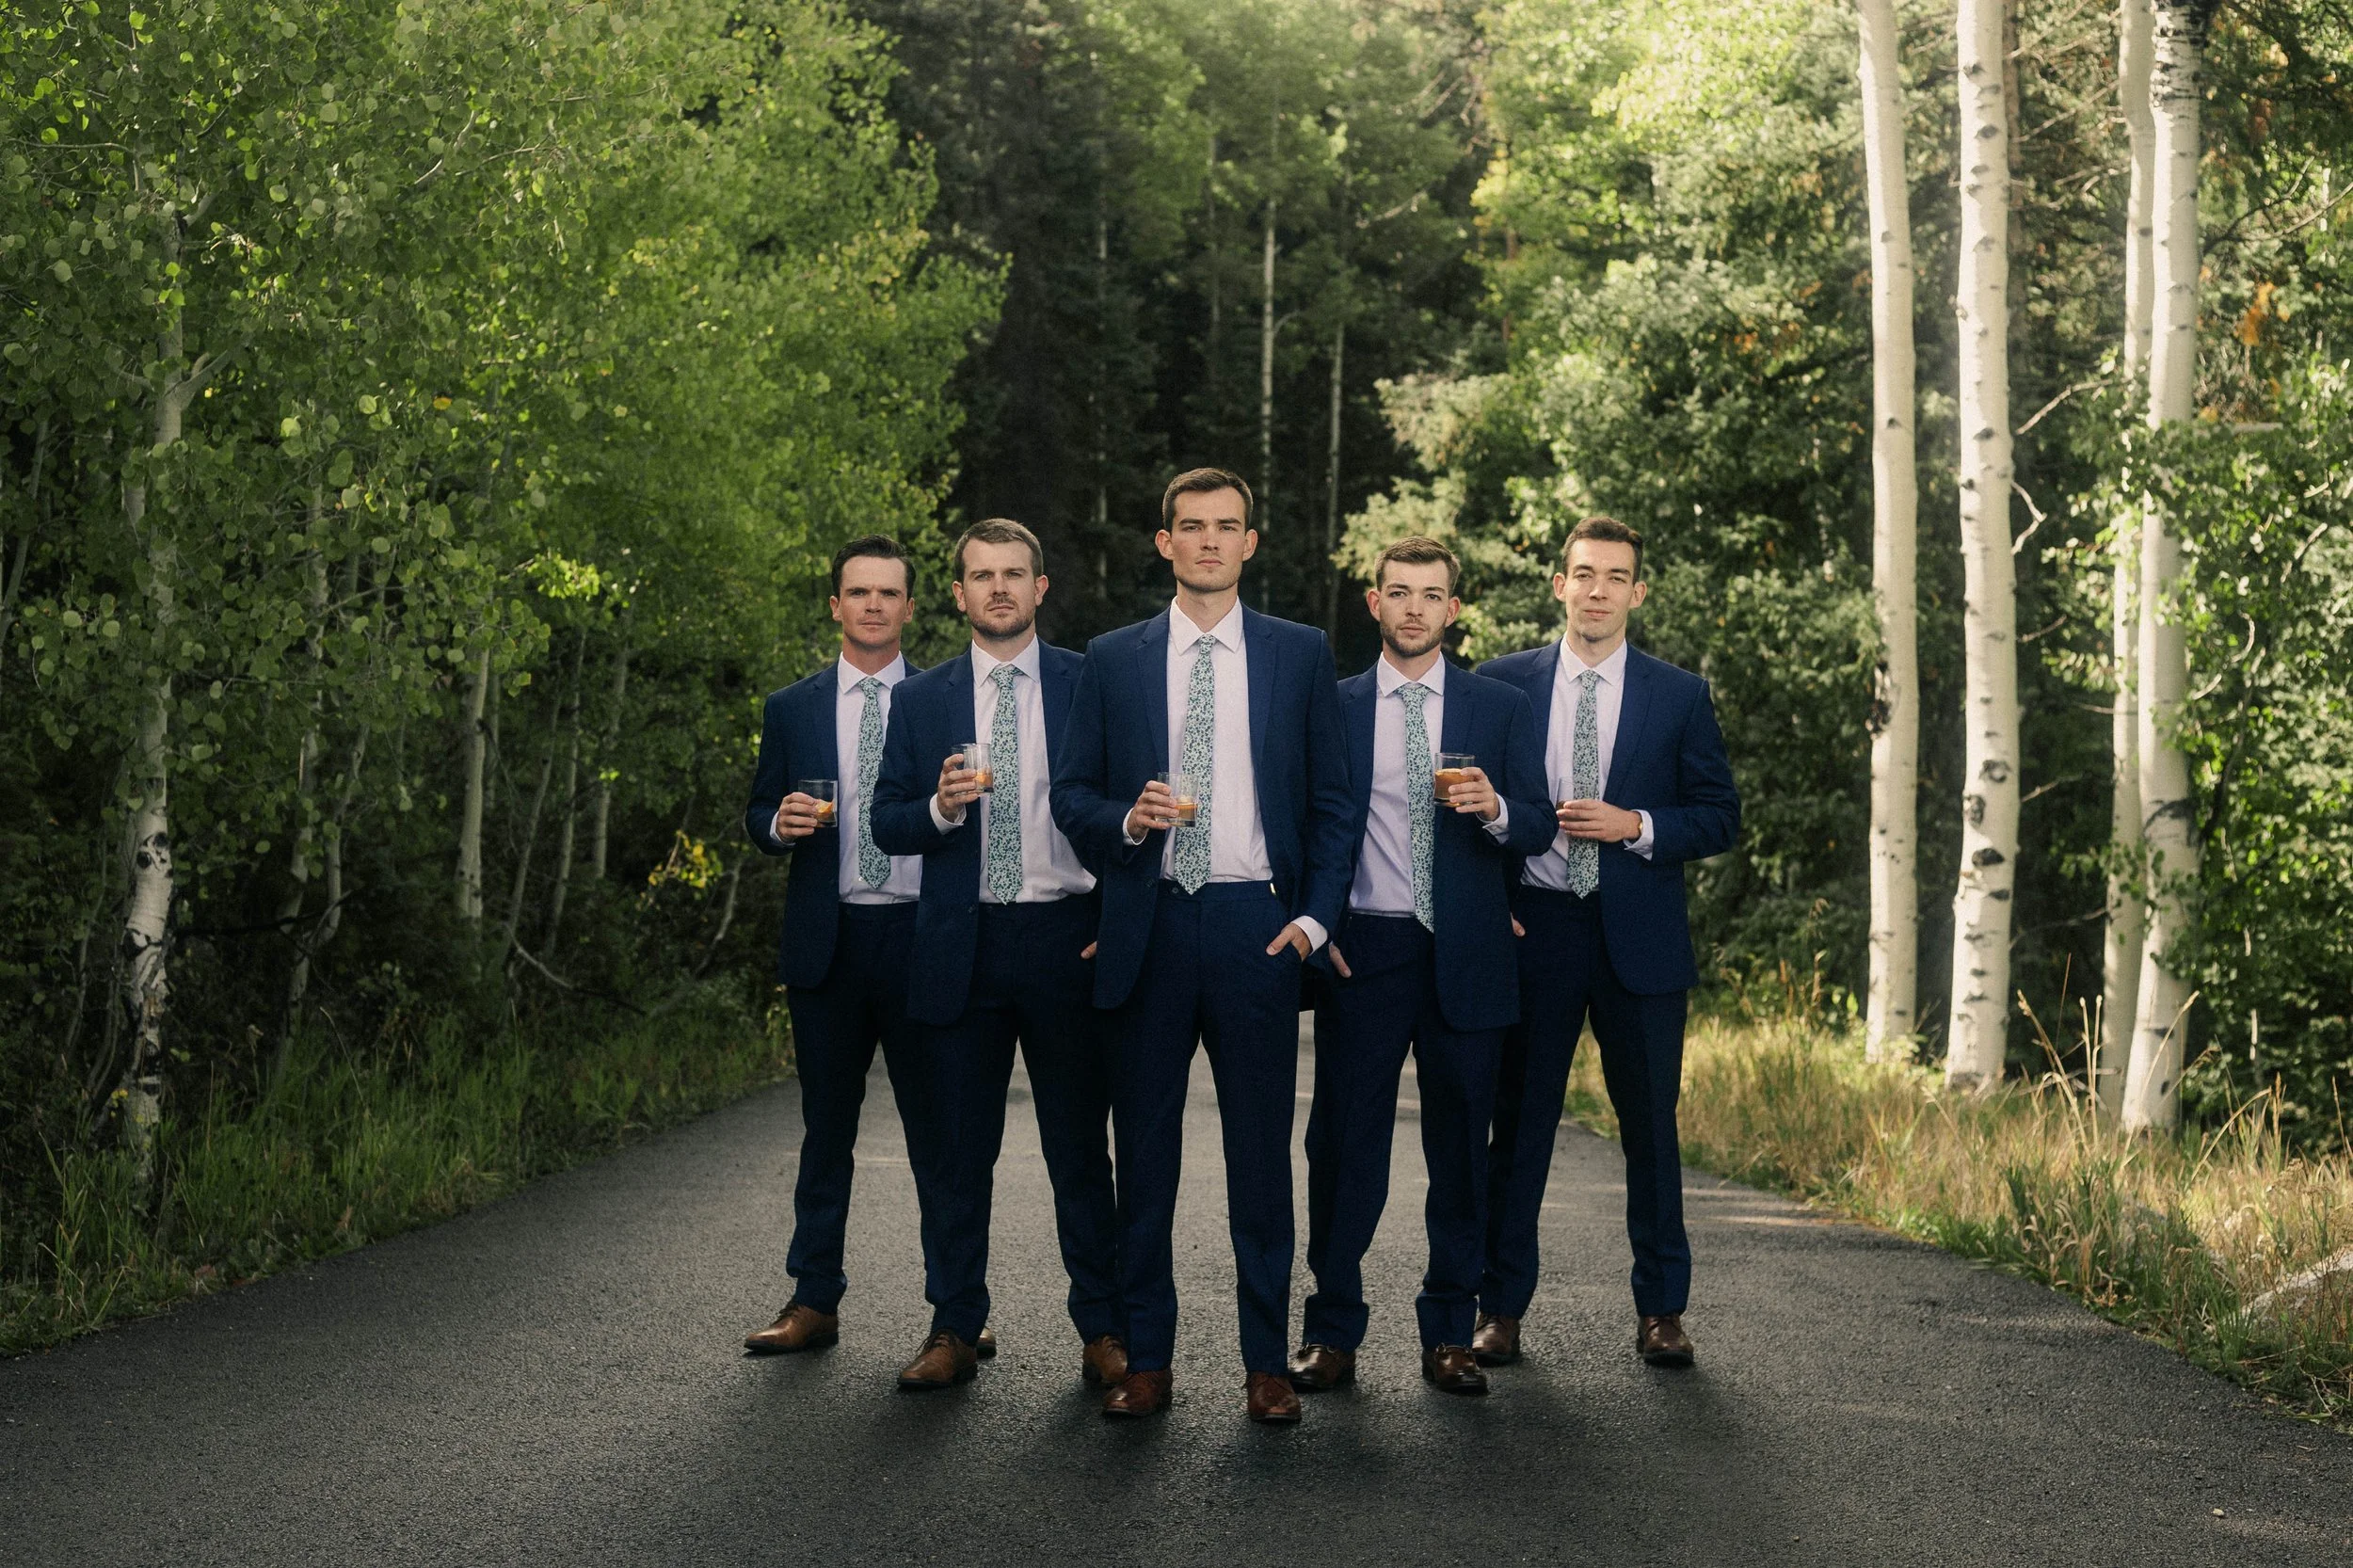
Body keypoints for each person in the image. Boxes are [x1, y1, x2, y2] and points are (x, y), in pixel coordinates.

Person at [1050, 468, 1354, 1425]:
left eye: (1228, 527)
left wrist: (1312, 920)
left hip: (1251, 926)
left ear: (1250, 544)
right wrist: (1127, 823)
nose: (1211, 542)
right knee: (1143, 1162)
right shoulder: (1114, 656)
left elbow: (1334, 801)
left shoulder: (1299, 653)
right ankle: (1148, 1360)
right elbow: (1071, 796)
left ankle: (1265, 1362)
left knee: (1260, 1160)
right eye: (1193, 527)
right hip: (1148, 921)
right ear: (1164, 543)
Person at [1289, 537, 1553, 1400]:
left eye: (1430, 595)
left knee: (1462, 1154)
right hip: (1365, 949)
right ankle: (1331, 1331)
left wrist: (1499, 807)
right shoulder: (1331, 706)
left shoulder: (1500, 706)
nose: (1413, 609)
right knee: (1342, 1148)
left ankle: (1449, 1334)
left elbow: (1540, 824)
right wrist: (1316, 921)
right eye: (1398, 593)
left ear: (1453, 610)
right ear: (1373, 604)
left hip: (1469, 952)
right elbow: (1303, 824)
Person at [1474, 516, 1740, 1368]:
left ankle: (1662, 1310)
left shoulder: (1680, 695)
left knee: (1651, 1131)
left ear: (1637, 592)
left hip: (1640, 943)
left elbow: (1720, 816)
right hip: (1537, 931)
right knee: (1519, 1128)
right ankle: (1500, 1310)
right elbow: (1467, 819)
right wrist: (1491, 905)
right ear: (1559, 584)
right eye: (1583, 574)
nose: (1597, 591)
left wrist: (1639, 824)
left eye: (1615, 577)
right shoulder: (1503, 685)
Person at [869, 520, 1125, 1394]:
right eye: (982, 576)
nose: (1000, 589)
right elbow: (884, 819)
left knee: (1080, 1150)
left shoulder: (1092, 683)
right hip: (960, 941)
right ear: (959, 593)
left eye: (1015, 573)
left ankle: (1103, 1328)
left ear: (1041, 587)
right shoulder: (921, 698)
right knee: (953, 1150)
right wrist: (937, 811)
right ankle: (954, 1324)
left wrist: (1113, 917)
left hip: (1065, 938)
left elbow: (1129, 812)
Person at [739, 536, 970, 1368]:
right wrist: (778, 824)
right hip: (828, 942)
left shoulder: (948, 702)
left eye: (888, 593)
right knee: (824, 1130)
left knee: (939, 1137)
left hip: (923, 936)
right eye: (857, 593)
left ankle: (955, 1309)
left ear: (912, 607)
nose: (873, 605)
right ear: (835, 605)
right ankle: (813, 1299)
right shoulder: (791, 707)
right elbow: (759, 810)